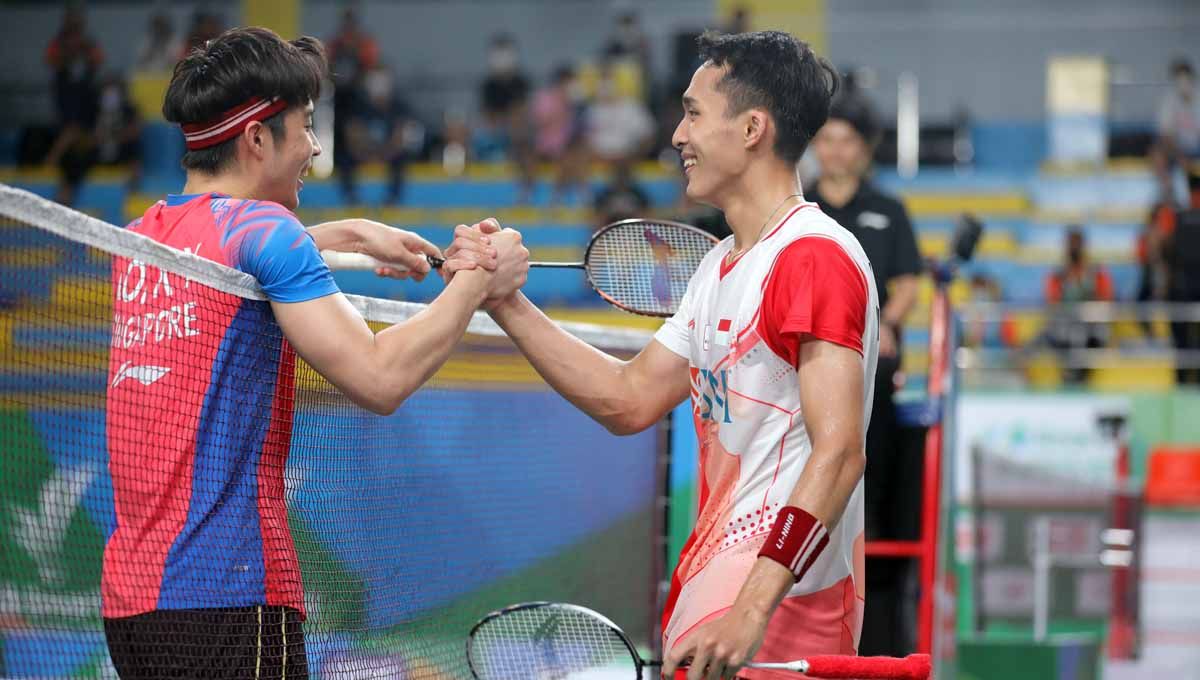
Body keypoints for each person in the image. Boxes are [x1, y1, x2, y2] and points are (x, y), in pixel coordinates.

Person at [101, 27, 528, 679]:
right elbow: (380, 378)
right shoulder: (263, 229)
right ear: (257, 139)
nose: (315, 146)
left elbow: (233, 258)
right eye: (305, 125)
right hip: (230, 591)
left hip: (133, 604)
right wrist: (476, 279)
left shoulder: (142, 238)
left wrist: (354, 232)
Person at [454, 30, 875, 680]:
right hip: (715, 598)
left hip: (785, 610)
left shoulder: (812, 256)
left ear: (753, 128)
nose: (677, 134)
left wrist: (752, 609)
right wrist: (506, 303)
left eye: (694, 112)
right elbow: (629, 398)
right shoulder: (718, 266)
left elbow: (840, 449)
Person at [808, 91, 921, 656]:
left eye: (846, 140)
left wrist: (882, 325)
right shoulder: (797, 209)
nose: (835, 151)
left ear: (863, 149)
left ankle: (868, 597)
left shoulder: (888, 209)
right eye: (825, 140)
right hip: (808, 367)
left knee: (868, 480)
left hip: (872, 371)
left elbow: (906, 285)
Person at [1043, 226, 1114, 384]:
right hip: (1064, 329)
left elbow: (1106, 300)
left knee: (1079, 333)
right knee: (1049, 334)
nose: (1074, 247)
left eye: (1077, 243)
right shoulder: (1058, 274)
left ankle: (1077, 376)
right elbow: (1052, 303)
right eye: (1071, 243)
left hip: (1091, 329)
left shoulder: (1096, 272)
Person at [1152, 58, 1200, 203]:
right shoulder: (1169, 102)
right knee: (1157, 154)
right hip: (1178, 150)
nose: (1183, 83)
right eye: (1179, 79)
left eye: (1186, 78)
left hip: (1196, 147)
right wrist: (1180, 157)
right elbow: (1166, 136)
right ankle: (1168, 193)